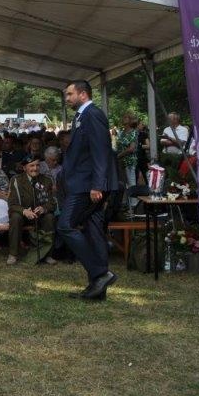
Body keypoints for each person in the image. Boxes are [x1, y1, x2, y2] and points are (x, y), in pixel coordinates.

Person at [59, 80, 118, 301]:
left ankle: (100, 274)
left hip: (88, 185)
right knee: (93, 230)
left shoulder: (92, 114)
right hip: (85, 183)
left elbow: (101, 151)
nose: (67, 98)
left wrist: (97, 185)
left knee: (65, 226)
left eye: (70, 94)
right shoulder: (82, 115)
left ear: (83, 94)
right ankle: (97, 288)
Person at [7, 155, 57, 266]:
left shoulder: (47, 180)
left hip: (39, 215)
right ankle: (13, 254)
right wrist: (24, 211)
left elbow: (52, 203)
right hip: (23, 214)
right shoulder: (16, 180)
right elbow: (12, 204)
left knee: (49, 217)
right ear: (24, 168)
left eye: (37, 165)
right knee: (15, 217)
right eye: (32, 165)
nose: (35, 168)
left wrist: (44, 208)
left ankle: (47, 254)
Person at [116, 113, 140, 211]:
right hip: (121, 161)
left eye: (125, 117)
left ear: (130, 120)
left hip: (129, 161)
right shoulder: (122, 132)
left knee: (131, 182)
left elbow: (132, 148)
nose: (123, 118)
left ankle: (134, 205)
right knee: (124, 183)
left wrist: (119, 155)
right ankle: (125, 203)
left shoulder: (133, 132)